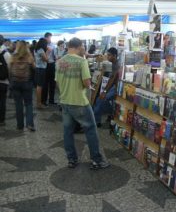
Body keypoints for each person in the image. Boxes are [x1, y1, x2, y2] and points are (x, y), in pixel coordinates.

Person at [55, 37, 109, 170]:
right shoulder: (81, 61)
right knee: (90, 129)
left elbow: (57, 82)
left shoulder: (60, 62)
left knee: (68, 131)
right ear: (79, 47)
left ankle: (72, 160)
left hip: (65, 101)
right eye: (82, 47)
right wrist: (88, 85)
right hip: (79, 101)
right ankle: (97, 160)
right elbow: (86, 82)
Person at [9, 41, 35, 131]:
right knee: (28, 104)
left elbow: (10, 70)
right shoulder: (29, 56)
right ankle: (30, 124)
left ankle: (20, 125)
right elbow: (34, 68)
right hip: (26, 83)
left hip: (15, 83)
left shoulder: (13, 56)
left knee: (18, 104)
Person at [93, 47, 119, 127]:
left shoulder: (117, 65)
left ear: (114, 56)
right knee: (99, 99)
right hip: (114, 86)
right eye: (107, 55)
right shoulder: (113, 63)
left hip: (117, 88)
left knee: (101, 99)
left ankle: (111, 114)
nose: (107, 57)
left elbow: (112, 79)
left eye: (109, 55)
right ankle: (110, 114)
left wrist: (104, 91)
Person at [34, 37, 49, 109]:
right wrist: (48, 52)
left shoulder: (37, 49)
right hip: (41, 69)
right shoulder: (41, 50)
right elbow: (46, 59)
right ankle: (39, 103)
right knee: (39, 86)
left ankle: (38, 103)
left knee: (39, 86)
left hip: (38, 69)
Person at [42, 32, 56, 105]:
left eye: (51, 37)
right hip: (45, 65)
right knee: (45, 84)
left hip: (52, 64)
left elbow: (55, 55)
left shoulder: (53, 45)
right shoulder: (42, 45)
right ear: (46, 38)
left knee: (52, 83)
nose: (50, 39)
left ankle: (51, 100)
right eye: (49, 37)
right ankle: (44, 101)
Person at [0, 35, 11, 126]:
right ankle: (1, 120)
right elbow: (10, 67)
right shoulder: (6, 53)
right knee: (2, 101)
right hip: (3, 81)